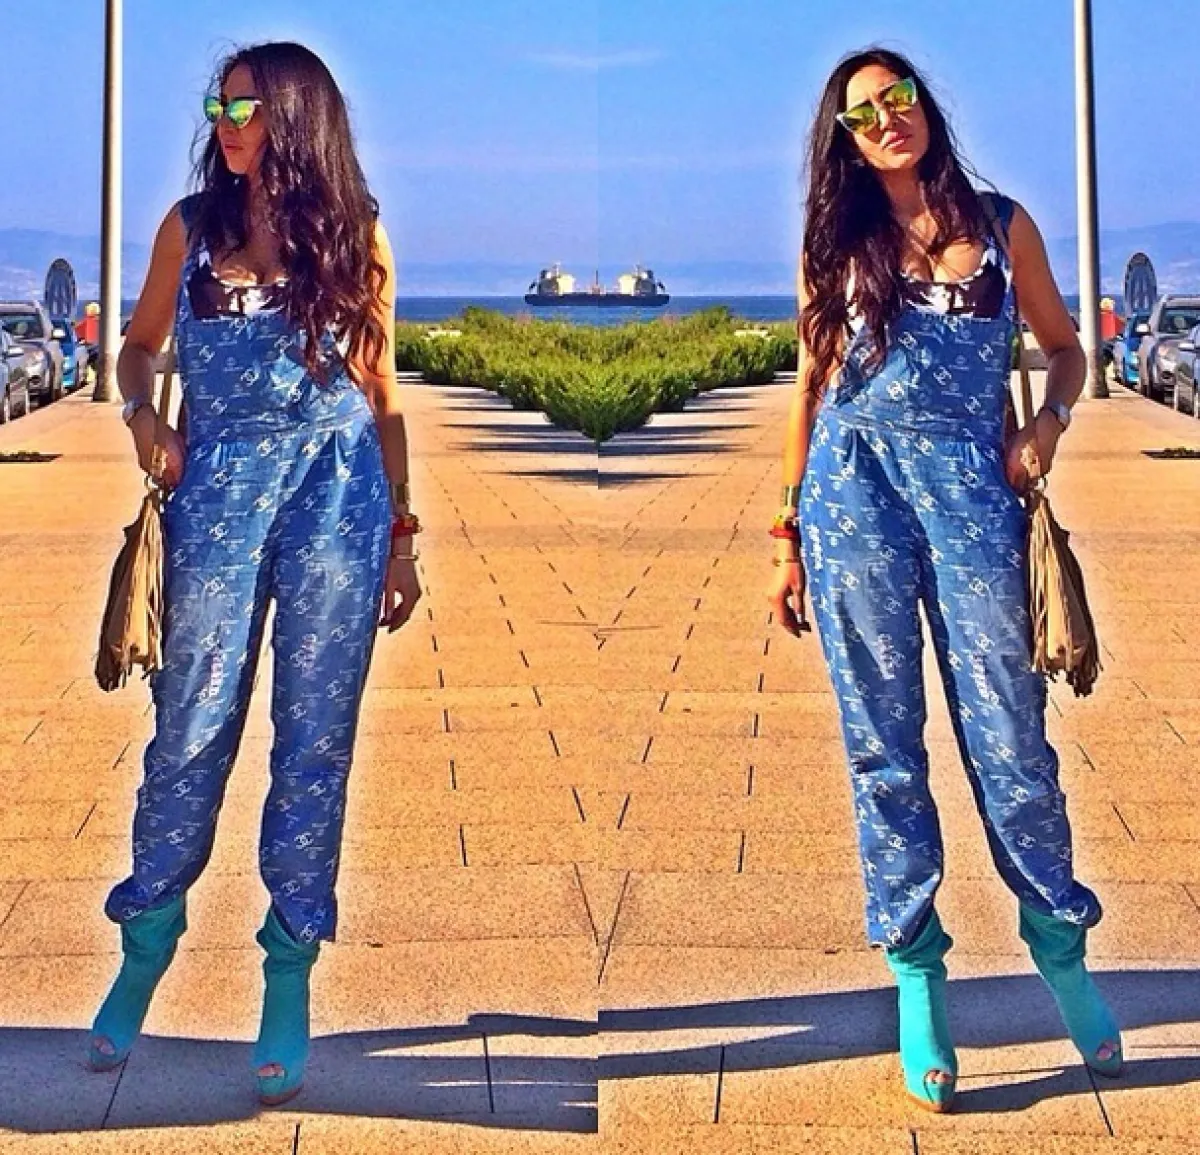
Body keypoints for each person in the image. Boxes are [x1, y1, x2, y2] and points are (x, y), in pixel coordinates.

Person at [767, 48, 1120, 1113]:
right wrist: (786, 534)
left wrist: (1048, 425)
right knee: (882, 744)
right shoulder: (835, 241)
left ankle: (1059, 944)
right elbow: (810, 385)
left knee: (1011, 736)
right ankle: (918, 974)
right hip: (852, 498)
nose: (887, 119)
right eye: (863, 113)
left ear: (924, 105)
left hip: (973, 498)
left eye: (899, 98)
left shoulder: (1004, 227)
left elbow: (1066, 351)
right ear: (844, 139)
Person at [88, 41, 422, 1106]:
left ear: (296, 116)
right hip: (219, 495)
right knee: (190, 723)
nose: (226, 124)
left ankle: (288, 969)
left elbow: (382, 393)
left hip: (339, 497)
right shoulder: (190, 228)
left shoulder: (357, 234)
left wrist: (401, 535)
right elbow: (138, 346)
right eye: (219, 107)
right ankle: (147, 936)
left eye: (246, 107)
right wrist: (142, 416)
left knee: (315, 740)